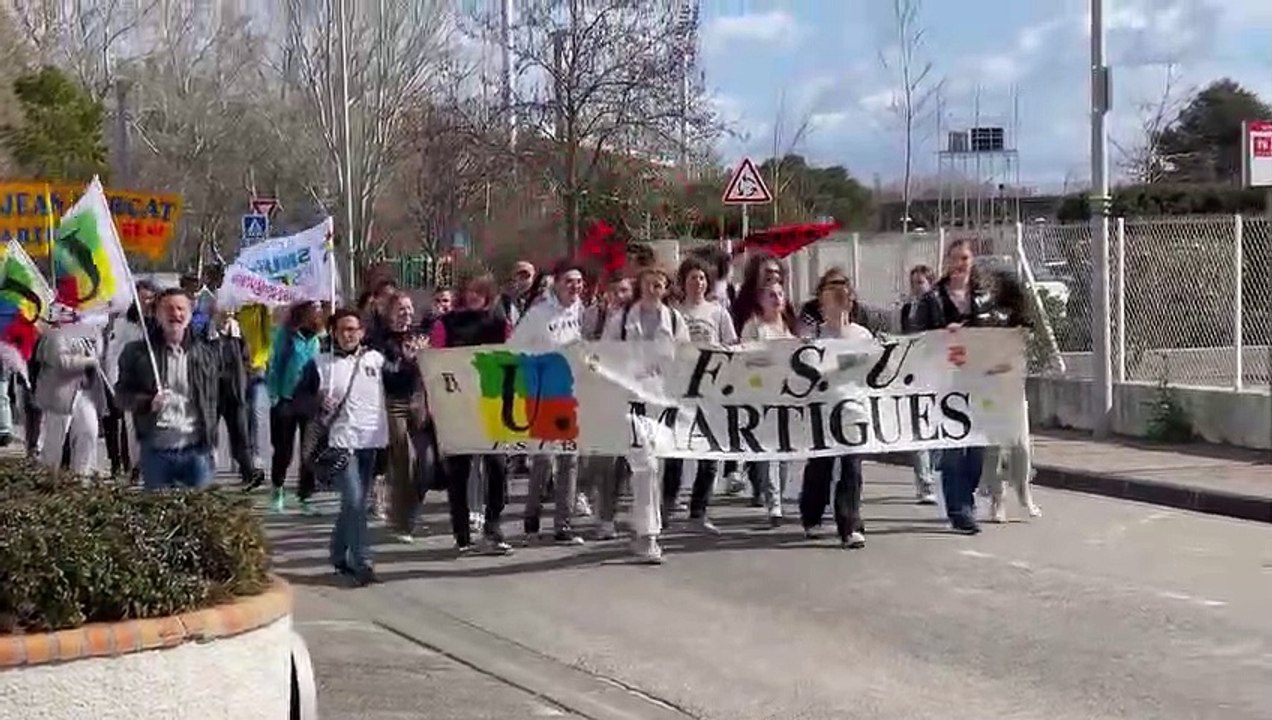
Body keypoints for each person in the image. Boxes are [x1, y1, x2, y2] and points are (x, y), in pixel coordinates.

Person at [601, 265, 691, 563]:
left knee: (655, 466)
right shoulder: (622, 319)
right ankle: (650, 536)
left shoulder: (676, 320)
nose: (654, 288)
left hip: (662, 401)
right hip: (631, 399)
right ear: (640, 286)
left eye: (660, 284)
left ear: (666, 288)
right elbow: (605, 355)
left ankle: (642, 526)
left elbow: (688, 357)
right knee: (645, 464)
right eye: (649, 283)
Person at [292, 309, 387, 587]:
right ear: (334, 332)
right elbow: (296, 400)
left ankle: (337, 554)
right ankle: (362, 561)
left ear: (362, 332)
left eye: (354, 329)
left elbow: (400, 382)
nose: (349, 334)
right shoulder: (319, 364)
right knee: (356, 501)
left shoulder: (376, 360)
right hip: (339, 444)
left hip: (370, 441)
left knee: (352, 505)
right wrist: (317, 403)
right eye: (344, 329)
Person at [431, 274, 516, 554]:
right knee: (460, 471)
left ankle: (493, 525)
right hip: (458, 404)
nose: (473, 296)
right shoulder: (447, 324)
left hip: (491, 404)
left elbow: (512, 360)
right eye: (468, 290)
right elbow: (435, 362)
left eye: (479, 291)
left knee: (497, 467)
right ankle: (462, 533)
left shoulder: (500, 323)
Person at [914, 239, 991, 534]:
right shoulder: (933, 299)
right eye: (955, 258)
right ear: (946, 261)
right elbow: (918, 338)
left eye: (965, 258)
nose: (960, 264)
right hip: (944, 384)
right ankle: (960, 510)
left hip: (978, 381)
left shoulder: (983, 297)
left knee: (976, 450)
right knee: (952, 448)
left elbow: (999, 329)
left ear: (972, 261)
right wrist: (942, 334)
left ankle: (967, 497)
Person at [798, 268, 877, 549]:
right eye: (833, 287)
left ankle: (850, 524)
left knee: (852, 467)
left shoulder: (863, 335)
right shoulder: (814, 336)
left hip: (854, 409)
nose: (840, 291)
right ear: (821, 298)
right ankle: (812, 515)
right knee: (821, 465)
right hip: (822, 410)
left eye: (844, 286)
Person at [510, 259, 587, 545]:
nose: (575, 287)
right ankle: (531, 517)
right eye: (569, 281)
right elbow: (514, 349)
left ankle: (563, 525)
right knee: (543, 458)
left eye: (579, 282)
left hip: (573, 392)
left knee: (570, 459)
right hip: (544, 392)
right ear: (555, 282)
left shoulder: (580, 310)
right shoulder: (538, 314)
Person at [115, 288, 221, 490]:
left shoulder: (206, 354)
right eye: (168, 309)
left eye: (181, 309)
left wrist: (214, 442)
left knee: (199, 515)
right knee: (157, 515)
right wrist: (147, 402)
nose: (175, 314)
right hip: (156, 451)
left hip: (196, 451)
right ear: (157, 314)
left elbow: (218, 399)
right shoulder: (138, 353)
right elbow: (121, 396)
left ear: (190, 315)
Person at [661, 256, 737, 536]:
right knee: (675, 449)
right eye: (693, 277)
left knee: (709, 451)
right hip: (680, 388)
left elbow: (731, 346)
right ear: (683, 281)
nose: (698, 282)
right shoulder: (673, 312)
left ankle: (699, 511)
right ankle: (667, 506)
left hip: (711, 388)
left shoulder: (718, 312)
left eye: (703, 278)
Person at [980, 269, 1042, 522]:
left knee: (1021, 446)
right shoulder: (986, 318)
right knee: (994, 447)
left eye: (994, 286)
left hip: (1014, 391)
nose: (990, 290)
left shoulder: (1022, 319)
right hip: (990, 391)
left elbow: (1027, 353)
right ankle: (998, 499)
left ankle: (1024, 491)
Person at [738, 280, 798, 527]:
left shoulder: (789, 328)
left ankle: (777, 496)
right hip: (760, 396)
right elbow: (743, 359)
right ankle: (773, 502)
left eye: (780, 295)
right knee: (767, 451)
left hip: (785, 396)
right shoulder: (754, 327)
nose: (776, 299)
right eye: (771, 295)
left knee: (784, 451)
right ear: (761, 301)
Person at [373, 292, 431, 543]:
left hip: (419, 401)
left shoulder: (419, 335)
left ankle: (411, 511)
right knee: (403, 460)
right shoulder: (380, 340)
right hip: (393, 403)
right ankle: (403, 521)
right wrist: (405, 361)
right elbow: (385, 374)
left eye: (409, 308)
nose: (406, 313)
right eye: (400, 309)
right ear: (389, 312)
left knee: (426, 462)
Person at [266, 300, 324, 513]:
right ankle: (278, 488)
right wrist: (274, 395)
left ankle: (305, 496)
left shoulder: (320, 338)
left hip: (310, 401)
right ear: (303, 311)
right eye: (313, 308)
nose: (317, 312)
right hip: (286, 399)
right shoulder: (287, 335)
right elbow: (274, 365)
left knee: (309, 451)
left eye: (318, 308)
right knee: (284, 450)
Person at [34, 320, 107, 476]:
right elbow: (62, 362)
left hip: (85, 391)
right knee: (55, 439)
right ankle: (48, 476)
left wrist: (96, 347)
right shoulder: (55, 334)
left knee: (89, 431)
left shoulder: (89, 333)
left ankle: (82, 475)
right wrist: (89, 360)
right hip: (60, 394)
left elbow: (100, 353)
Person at [103, 280, 157, 479]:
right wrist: (113, 380)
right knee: (132, 427)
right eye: (143, 298)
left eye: (150, 298)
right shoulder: (125, 322)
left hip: (155, 383)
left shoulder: (158, 322)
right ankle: (134, 466)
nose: (147, 302)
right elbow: (114, 353)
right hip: (131, 383)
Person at [900, 264, 939, 505]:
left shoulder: (935, 306)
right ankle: (925, 482)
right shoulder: (907, 309)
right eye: (913, 282)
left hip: (933, 372)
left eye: (921, 282)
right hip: (914, 373)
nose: (916, 287)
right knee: (920, 430)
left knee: (934, 431)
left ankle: (928, 475)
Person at [497, 261, 535, 325]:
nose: (522, 280)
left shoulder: (528, 304)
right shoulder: (500, 298)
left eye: (526, 277)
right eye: (519, 275)